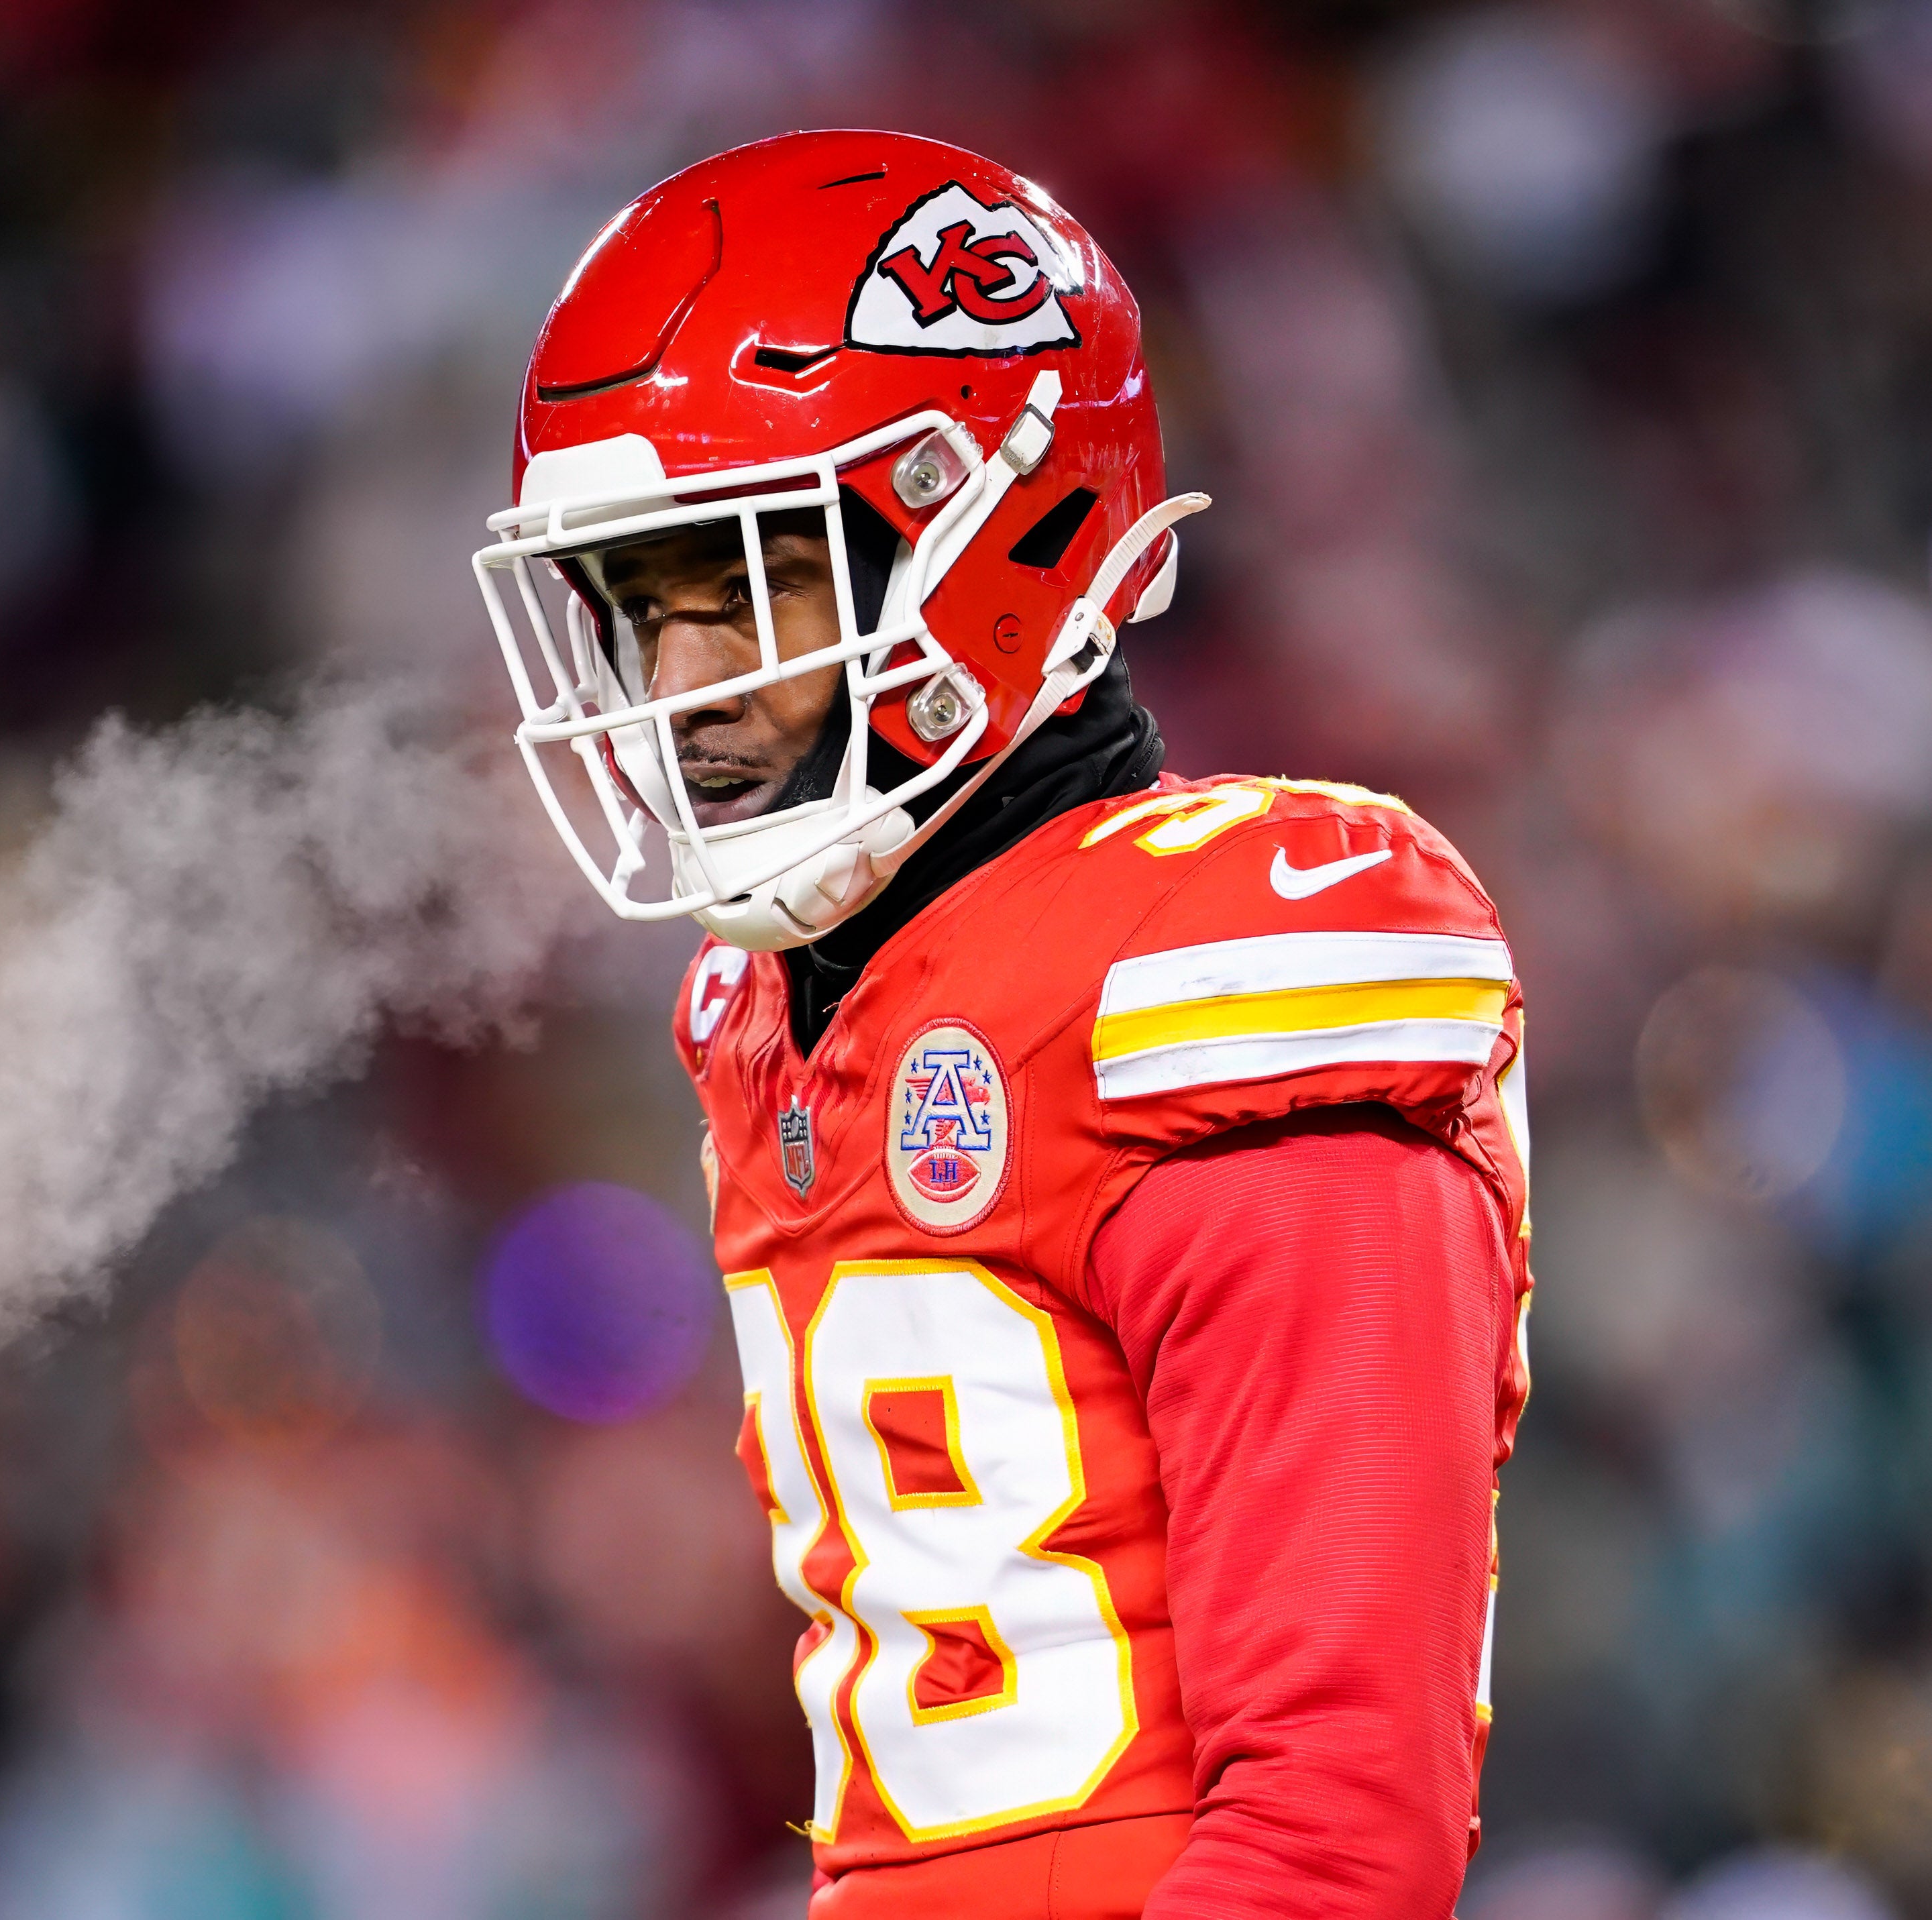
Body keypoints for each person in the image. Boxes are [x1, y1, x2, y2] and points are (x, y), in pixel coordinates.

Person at [470, 130, 1533, 1919]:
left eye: (747, 587)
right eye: (642, 611)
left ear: (989, 532)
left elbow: (1337, 1844)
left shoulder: (1207, 974)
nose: (680, 697)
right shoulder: (785, 1005)